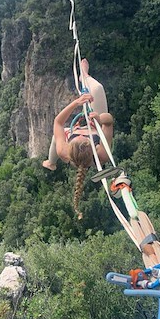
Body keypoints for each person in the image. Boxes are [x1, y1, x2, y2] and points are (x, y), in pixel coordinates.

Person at [42, 59, 114, 219]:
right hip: (96, 124)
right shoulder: (102, 154)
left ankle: (51, 162)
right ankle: (85, 75)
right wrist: (100, 120)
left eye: (78, 136)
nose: (81, 132)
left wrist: (76, 103)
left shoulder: (64, 151)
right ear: (91, 145)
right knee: (98, 88)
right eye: (82, 135)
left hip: (73, 130)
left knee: (57, 136)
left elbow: (58, 122)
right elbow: (109, 122)